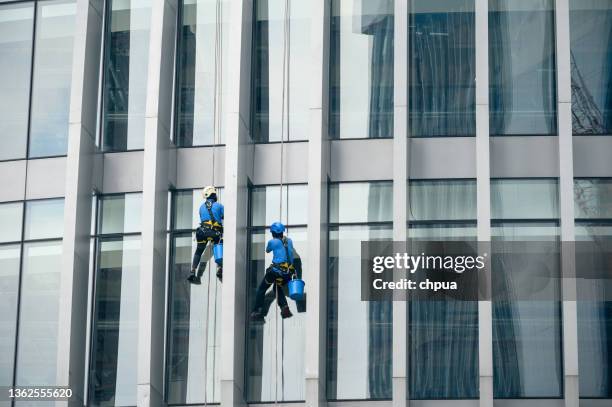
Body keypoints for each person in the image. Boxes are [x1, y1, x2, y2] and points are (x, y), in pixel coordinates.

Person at [250, 221, 295, 322]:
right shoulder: (289, 241)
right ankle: (284, 308)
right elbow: (291, 255)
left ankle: (257, 311)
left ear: (273, 233)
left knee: (262, 289)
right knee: (277, 286)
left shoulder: (273, 242)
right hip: (286, 273)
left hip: (275, 271)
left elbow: (267, 250)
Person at [187, 186, 223, 284]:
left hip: (202, 232)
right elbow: (224, 217)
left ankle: (192, 271)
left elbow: (204, 218)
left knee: (199, 251)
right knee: (219, 242)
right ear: (213, 194)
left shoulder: (201, 207)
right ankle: (220, 268)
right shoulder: (219, 206)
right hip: (214, 233)